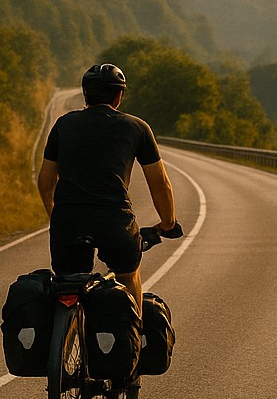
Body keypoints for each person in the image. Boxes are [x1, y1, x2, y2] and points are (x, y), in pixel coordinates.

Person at [38, 63, 176, 312]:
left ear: (85, 94)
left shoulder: (63, 125)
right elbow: (160, 183)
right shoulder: (137, 128)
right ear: (118, 96)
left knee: (67, 283)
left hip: (68, 221)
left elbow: (45, 182)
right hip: (114, 221)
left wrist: (57, 216)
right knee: (128, 276)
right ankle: (134, 343)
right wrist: (168, 222)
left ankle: (62, 337)